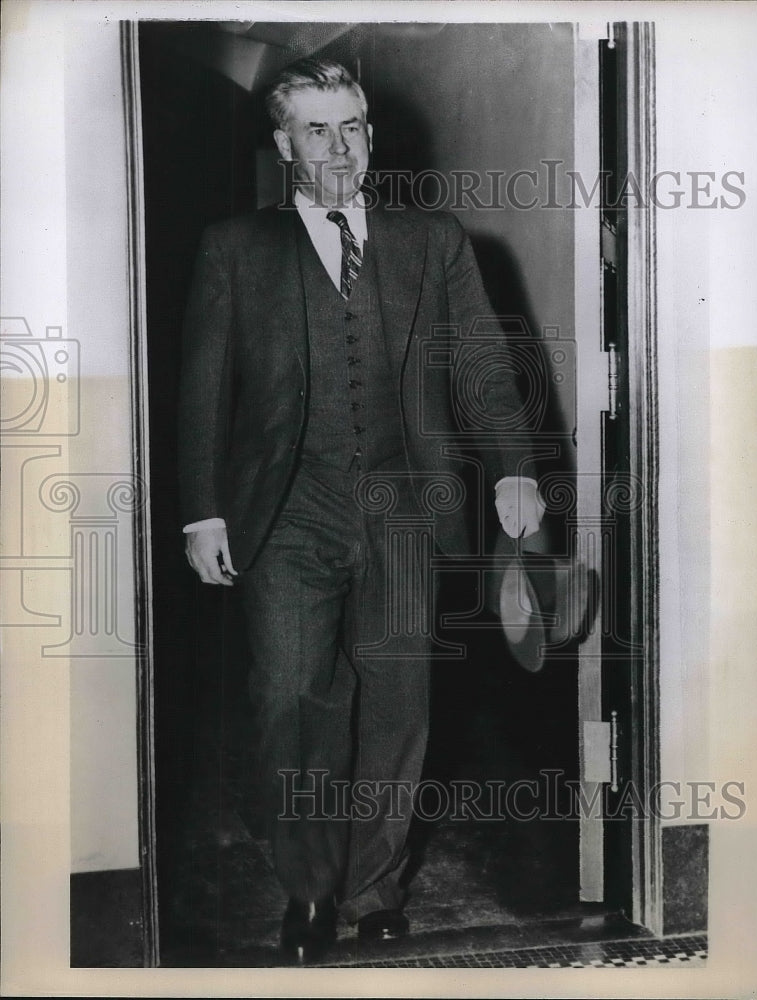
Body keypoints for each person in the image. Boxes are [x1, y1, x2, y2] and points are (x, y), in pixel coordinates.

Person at [178, 57, 545, 963]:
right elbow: (200, 390)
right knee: (292, 701)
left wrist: (512, 468)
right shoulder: (234, 248)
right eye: (315, 129)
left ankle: (377, 885)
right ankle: (306, 890)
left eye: (350, 127)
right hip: (285, 513)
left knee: (395, 705)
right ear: (283, 144)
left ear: (371, 136)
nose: (336, 147)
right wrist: (202, 512)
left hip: (404, 510)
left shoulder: (433, 240)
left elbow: (484, 365)